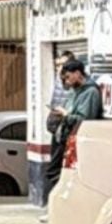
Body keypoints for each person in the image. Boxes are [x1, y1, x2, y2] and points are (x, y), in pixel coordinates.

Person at [42, 59, 103, 209]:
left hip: (74, 139)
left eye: (68, 77)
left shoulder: (90, 93)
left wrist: (66, 115)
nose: (67, 81)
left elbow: (84, 119)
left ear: (78, 73)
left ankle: (60, 207)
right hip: (62, 137)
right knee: (54, 172)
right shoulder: (74, 92)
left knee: (59, 174)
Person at [42, 51, 75, 208]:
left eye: (62, 65)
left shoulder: (73, 86)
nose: (59, 69)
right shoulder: (59, 81)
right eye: (57, 65)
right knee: (54, 168)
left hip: (66, 130)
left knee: (57, 170)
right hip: (57, 129)